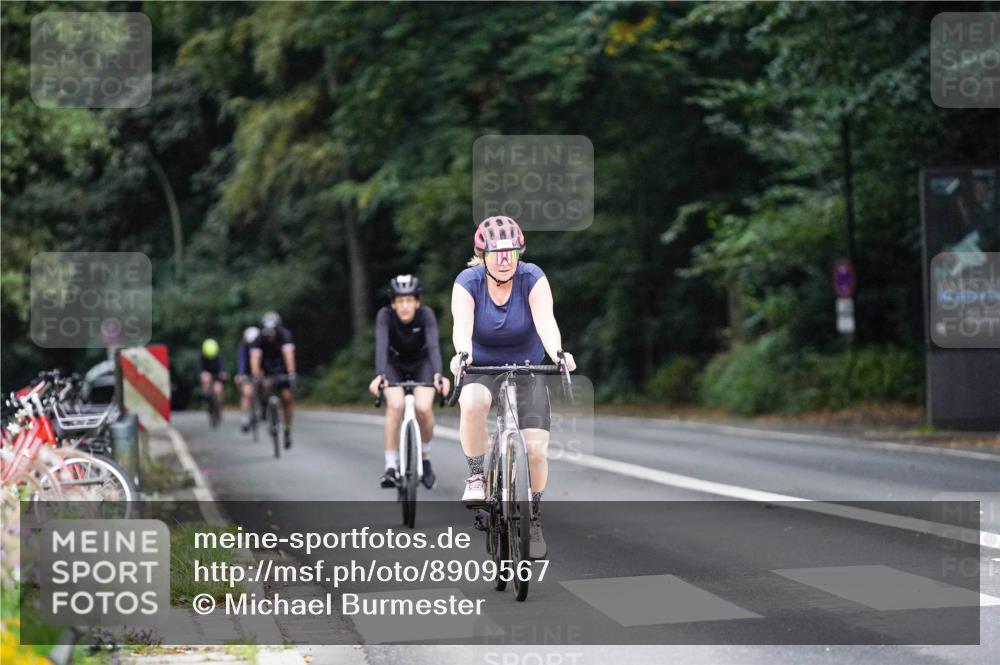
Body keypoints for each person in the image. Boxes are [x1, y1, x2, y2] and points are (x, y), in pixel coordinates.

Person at [450, 216, 576, 559]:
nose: (505, 259)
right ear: (482, 254)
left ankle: (533, 519)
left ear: (519, 253)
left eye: (511, 252)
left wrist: (559, 354)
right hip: (482, 363)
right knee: (473, 402)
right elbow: (461, 327)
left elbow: (546, 321)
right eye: (496, 253)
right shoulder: (467, 282)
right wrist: (462, 355)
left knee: (536, 450)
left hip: (529, 365)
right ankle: (477, 476)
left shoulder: (532, 278)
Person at [368, 275, 450, 490]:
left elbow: (433, 346)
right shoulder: (384, 316)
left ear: (417, 302)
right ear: (393, 303)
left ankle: (425, 458)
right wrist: (379, 375)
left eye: (409, 300)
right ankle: (391, 467)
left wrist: (439, 374)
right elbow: (381, 346)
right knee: (395, 406)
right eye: (400, 301)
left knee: (423, 408)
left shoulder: (426, 315)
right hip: (394, 364)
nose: (404, 305)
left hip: (422, 363)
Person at [250, 311, 297, 449]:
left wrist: (291, 373)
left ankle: (287, 431)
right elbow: (255, 359)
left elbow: (288, 355)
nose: (270, 337)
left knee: (287, 398)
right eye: (267, 334)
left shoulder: (284, 335)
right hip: (265, 368)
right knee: (263, 385)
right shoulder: (258, 339)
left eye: (272, 334)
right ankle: (264, 406)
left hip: (281, 368)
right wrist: (255, 374)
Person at [235, 326, 259, 433]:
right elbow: (242, 361)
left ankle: (263, 407)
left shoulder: (263, 345)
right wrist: (241, 374)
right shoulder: (243, 347)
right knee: (246, 393)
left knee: (266, 386)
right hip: (247, 373)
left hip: (261, 371)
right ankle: (245, 418)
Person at [198, 338, 226, 408]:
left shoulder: (219, 356)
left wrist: (223, 373)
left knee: (219, 389)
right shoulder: (201, 356)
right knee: (206, 380)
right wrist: (203, 373)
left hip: (216, 375)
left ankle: (219, 405)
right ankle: (207, 398)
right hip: (207, 375)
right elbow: (199, 368)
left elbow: (223, 368)